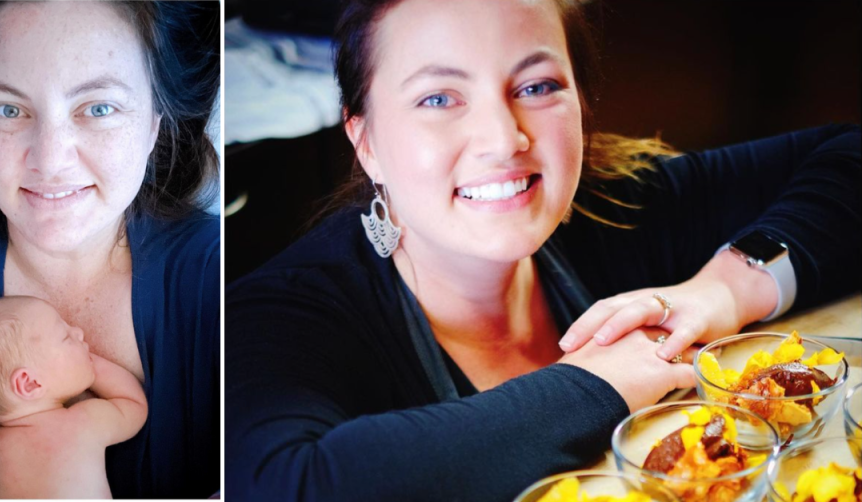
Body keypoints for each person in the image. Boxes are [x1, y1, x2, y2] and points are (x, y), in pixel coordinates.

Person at [224, 0, 861, 500]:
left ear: (581, 101)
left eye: (536, 86)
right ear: (365, 141)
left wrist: (726, 287)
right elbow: (284, 486)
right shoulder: (271, 318)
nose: (503, 139)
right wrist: (598, 385)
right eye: (439, 98)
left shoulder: (611, 209)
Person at [0, 1, 220, 497]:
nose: (49, 161)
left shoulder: (217, 277)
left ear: (156, 120)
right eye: (8, 109)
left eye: (98, 107)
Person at [0, 296, 147, 499]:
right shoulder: (82, 422)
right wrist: (90, 363)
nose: (79, 332)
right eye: (66, 337)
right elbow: (132, 404)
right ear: (30, 383)